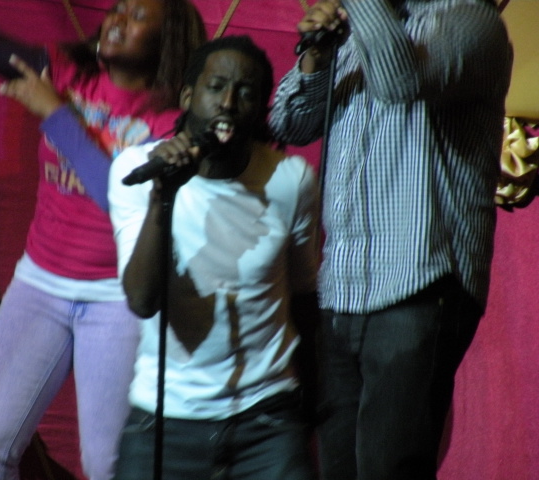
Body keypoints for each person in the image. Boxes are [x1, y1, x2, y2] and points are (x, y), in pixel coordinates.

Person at [0, 0, 207, 478]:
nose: (117, 18)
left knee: (106, 465)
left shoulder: (174, 123)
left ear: (167, 40)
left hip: (117, 300)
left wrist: (56, 115)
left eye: (137, 17)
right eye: (118, 9)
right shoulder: (67, 72)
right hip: (39, 285)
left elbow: (118, 197)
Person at [269, 1, 513, 479]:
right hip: (343, 289)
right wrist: (317, 58)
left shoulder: (470, 22)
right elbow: (287, 123)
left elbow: (401, 81)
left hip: (420, 285)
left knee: (390, 467)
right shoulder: (363, 27)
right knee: (336, 466)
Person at [108, 35, 320, 480]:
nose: (227, 102)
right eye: (216, 86)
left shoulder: (290, 180)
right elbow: (143, 300)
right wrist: (162, 197)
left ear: (260, 109)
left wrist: (315, 405)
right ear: (188, 95)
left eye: (245, 92)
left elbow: (305, 296)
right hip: (165, 417)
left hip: (267, 419)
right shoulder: (138, 170)